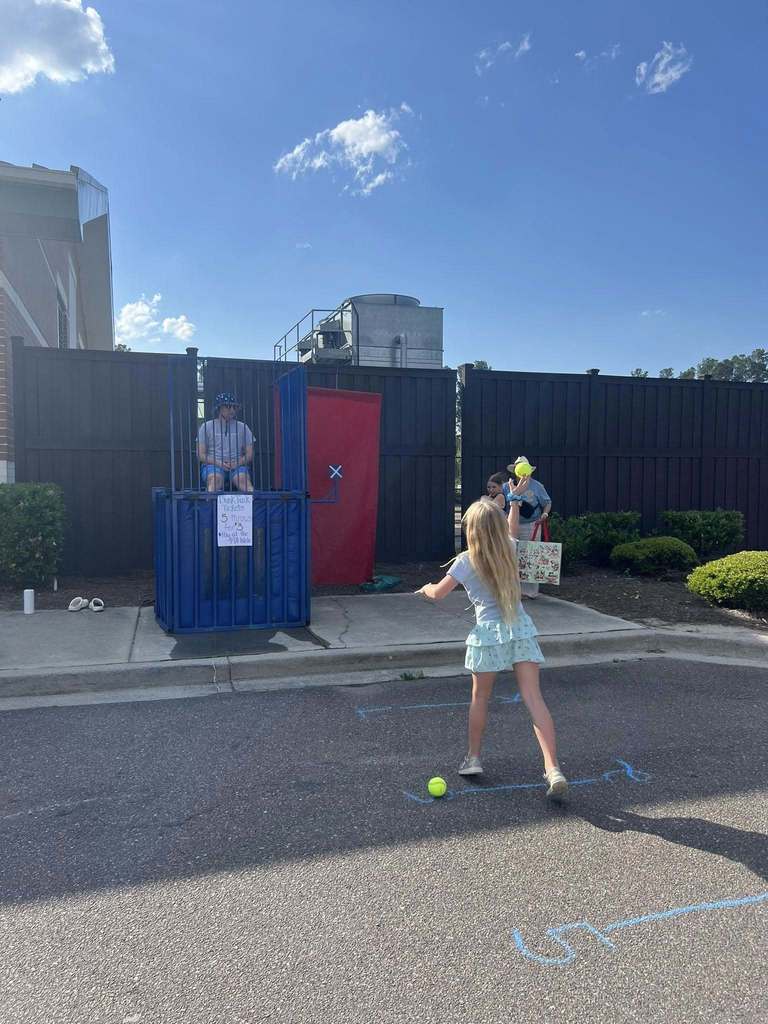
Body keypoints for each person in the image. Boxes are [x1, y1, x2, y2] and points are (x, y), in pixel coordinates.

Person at [415, 497, 568, 800]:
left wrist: (426, 589)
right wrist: (513, 500)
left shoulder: (466, 560)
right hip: (520, 628)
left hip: (487, 635)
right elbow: (511, 531)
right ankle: (553, 769)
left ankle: (473, 759)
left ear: (470, 528)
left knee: (480, 697)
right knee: (534, 698)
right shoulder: (510, 548)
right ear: (498, 526)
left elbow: (439, 594)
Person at [505, 456, 552, 599]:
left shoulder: (537, 486)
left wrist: (544, 514)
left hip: (532, 524)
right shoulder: (509, 485)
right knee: (510, 556)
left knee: (531, 557)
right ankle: (511, 589)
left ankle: (529, 591)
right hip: (511, 523)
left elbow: (547, 502)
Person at [197, 392, 255, 493]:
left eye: (234, 407)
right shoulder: (206, 426)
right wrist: (218, 463)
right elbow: (200, 454)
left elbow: (250, 454)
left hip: (238, 465)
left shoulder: (243, 427)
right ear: (219, 408)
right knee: (214, 481)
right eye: (228, 407)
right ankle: (210, 503)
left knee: (244, 482)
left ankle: (253, 503)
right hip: (213, 465)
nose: (232, 410)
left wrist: (237, 463)